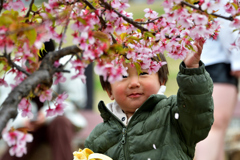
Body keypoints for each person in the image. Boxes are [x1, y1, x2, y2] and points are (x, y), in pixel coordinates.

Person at [84, 39, 214, 159]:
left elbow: (197, 113)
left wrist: (191, 70)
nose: (134, 83)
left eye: (144, 73)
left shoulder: (172, 114)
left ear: (162, 81)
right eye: (123, 75)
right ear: (109, 90)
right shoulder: (97, 137)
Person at [0, 40, 87, 160]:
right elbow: (7, 101)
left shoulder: (66, 65)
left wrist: (46, 115)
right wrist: (23, 120)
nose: (35, 67)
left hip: (58, 123)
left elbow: (76, 100)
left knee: (60, 123)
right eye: (31, 61)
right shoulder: (17, 67)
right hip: (28, 124)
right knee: (18, 139)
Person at [195, 2, 240, 160]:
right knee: (214, 125)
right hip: (218, 61)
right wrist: (237, 59)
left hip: (204, 60)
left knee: (216, 129)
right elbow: (227, 20)